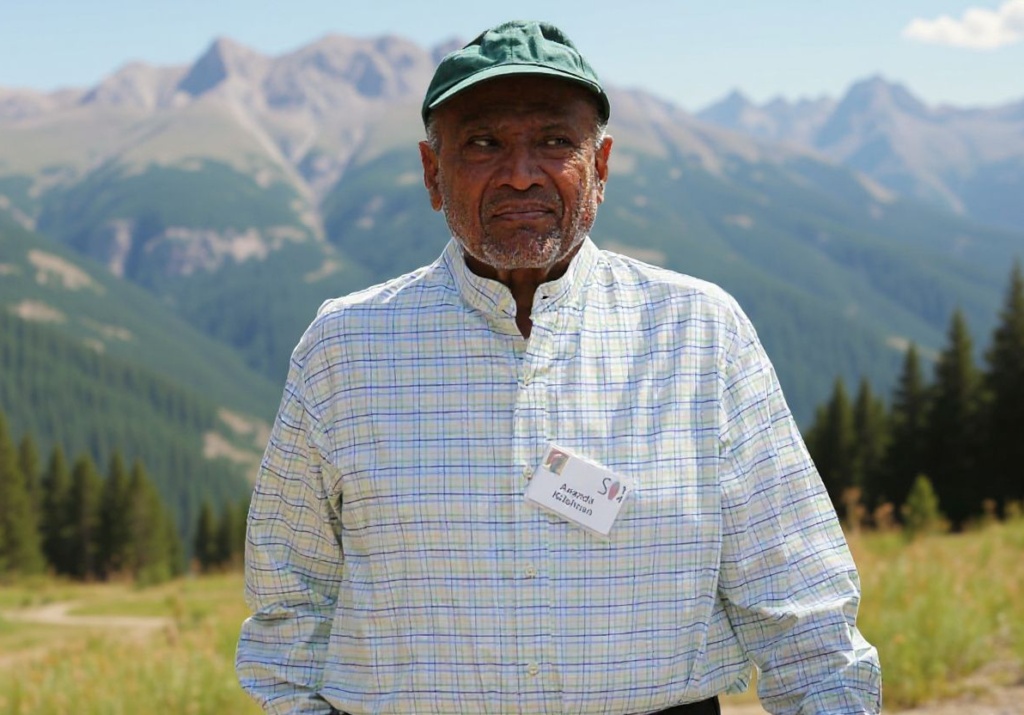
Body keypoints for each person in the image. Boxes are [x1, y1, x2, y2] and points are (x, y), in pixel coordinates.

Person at [236, 20, 882, 715]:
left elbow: (806, 615)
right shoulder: (344, 349)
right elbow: (288, 608)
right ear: (432, 173)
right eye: (483, 143)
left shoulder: (700, 333)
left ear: (599, 167)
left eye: (553, 141)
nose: (520, 173)